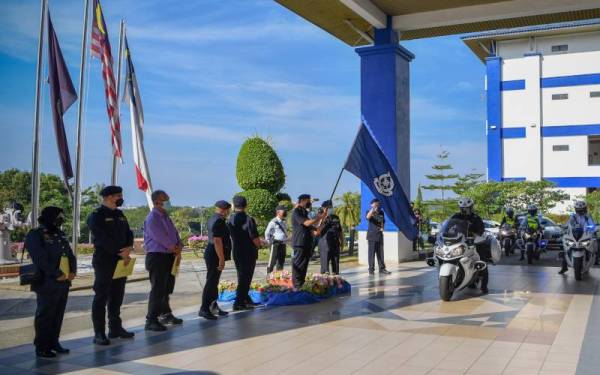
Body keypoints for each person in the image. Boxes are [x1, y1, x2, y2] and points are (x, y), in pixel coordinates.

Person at [25, 207, 76, 358]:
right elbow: (40, 258)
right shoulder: (36, 234)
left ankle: (54, 342)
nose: (61, 219)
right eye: (59, 216)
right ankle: (41, 346)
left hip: (64, 281)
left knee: (58, 314)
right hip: (47, 281)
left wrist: (72, 271)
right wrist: (56, 273)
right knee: (45, 315)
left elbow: (69, 254)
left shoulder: (60, 234)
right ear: (50, 217)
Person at [87, 186, 135, 345]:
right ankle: (99, 333)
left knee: (117, 295)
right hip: (104, 260)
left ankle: (115, 328)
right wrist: (118, 252)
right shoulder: (97, 215)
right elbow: (101, 238)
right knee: (101, 296)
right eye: (118, 196)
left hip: (121, 260)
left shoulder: (120, 214)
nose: (121, 198)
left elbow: (129, 233)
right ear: (108, 197)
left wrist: (128, 248)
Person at [143, 190, 183, 332]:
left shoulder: (166, 216)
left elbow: (174, 234)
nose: (168, 201)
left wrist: (179, 245)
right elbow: (160, 237)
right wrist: (173, 247)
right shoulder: (152, 218)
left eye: (168, 198)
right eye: (165, 199)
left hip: (169, 256)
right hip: (157, 257)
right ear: (156, 202)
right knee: (158, 289)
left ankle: (166, 314)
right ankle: (151, 319)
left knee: (166, 288)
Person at [199, 200, 232, 320]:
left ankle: (213, 306)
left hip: (213, 252)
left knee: (214, 281)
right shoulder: (218, 220)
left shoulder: (213, 218)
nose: (229, 212)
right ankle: (204, 309)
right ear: (224, 209)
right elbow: (217, 240)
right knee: (211, 282)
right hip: (215, 254)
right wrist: (221, 258)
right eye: (228, 209)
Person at [229, 195, 262, 311]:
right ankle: (238, 302)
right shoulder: (248, 219)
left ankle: (245, 298)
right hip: (248, 252)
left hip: (237, 251)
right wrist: (260, 245)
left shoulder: (230, 219)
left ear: (233, 205)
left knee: (241, 276)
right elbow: (254, 238)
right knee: (246, 278)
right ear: (246, 205)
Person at [450, 198, 489, 294]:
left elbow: (481, 231)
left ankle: (484, 286)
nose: (464, 210)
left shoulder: (476, 218)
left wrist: (475, 235)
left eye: (466, 208)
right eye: (462, 208)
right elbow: (449, 226)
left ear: (471, 208)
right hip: (459, 242)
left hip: (473, 242)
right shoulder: (456, 216)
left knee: (482, 261)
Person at [291, 194, 327, 288]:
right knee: (298, 264)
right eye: (308, 200)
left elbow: (316, 230)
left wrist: (323, 218)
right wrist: (318, 217)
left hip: (307, 242)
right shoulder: (296, 211)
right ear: (302, 200)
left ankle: (301, 284)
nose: (309, 203)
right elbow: (306, 223)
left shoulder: (304, 212)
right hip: (299, 243)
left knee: (304, 265)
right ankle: (296, 285)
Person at [559, 201, 597, 274]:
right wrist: (563, 227)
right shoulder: (573, 217)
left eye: (581, 209)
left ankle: (597, 258)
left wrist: (594, 228)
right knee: (565, 248)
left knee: (596, 241)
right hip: (574, 235)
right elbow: (568, 224)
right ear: (575, 209)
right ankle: (564, 267)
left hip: (585, 235)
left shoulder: (588, 216)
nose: (580, 211)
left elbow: (592, 224)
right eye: (578, 209)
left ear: (585, 209)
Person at [316, 200, 343, 274]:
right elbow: (317, 231)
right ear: (324, 208)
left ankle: (336, 280)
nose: (331, 209)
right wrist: (323, 218)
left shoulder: (336, 217)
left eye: (331, 207)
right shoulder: (320, 217)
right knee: (325, 267)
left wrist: (342, 242)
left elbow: (340, 231)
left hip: (335, 243)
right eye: (329, 207)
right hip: (325, 244)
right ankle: (324, 282)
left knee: (336, 265)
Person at [366, 199, 391, 275]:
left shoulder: (381, 212)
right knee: (371, 254)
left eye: (378, 204)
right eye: (375, 204)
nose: (377, 205)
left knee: (380, 253)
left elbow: (382, 221)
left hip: (379, 235)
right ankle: (371, 270)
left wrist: (383, 228)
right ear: (372, 204)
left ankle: (382, 269)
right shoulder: (369, 211)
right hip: (372, 236)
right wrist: (373, 209)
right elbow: (368, 217)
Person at [264, 205, 288, 273]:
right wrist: (269, 241)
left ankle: (279, 278)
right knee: (272, 261)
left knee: (281, 261)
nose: (285, 212)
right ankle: (268, 276)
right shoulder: (273, 222)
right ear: (278, 212)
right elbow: (267, 232)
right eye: (284, 211)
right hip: (275, 243)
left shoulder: (284, 221)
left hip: (283, 243)